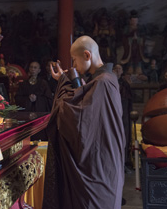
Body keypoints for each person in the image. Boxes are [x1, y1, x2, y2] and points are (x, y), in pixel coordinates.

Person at [43, 36, 125, 209]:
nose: (73, 66)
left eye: (74, 60)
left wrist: (64, 83)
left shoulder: (103, 82)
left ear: (87, 55)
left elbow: (77, 117)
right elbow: (83, 100)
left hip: (99, 165)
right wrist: (65, 79)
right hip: (105, 159)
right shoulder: (106, 78)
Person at [113, 64, 133, 170]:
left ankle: (124, 161)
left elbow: (129, 101)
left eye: (119, 69)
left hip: (124, 113)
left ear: (122, 71)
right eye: (115, 69)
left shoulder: (125, 84)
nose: (117, 70)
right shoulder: (109, 82)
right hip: (113, 112)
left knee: (124, 136)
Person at [119, 10, 149, 75]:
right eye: (132, 21)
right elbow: (123, 37)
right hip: (129, 46)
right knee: (130, 59)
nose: (134, 22)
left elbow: (144, 37)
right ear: (130, 21)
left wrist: (138, 38)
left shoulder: (140, 28)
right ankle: (129, 70)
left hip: (138, 47)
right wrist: (130, 38)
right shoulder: (127, 28)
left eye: (135, 21)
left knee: (138, 59)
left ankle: (139, 71)